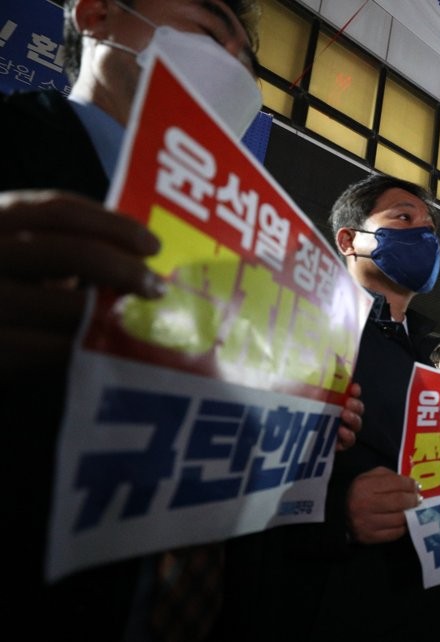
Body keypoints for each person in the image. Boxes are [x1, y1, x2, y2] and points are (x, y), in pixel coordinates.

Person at [1, 2, 358, 637]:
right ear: (98, 13)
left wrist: (312, 416)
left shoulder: (266, 266)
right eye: (208, 22)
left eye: (244, 56)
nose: (230, 60)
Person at [221, 173, 440, 640]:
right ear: (349, 239)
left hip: (415, 606)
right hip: (312, 600)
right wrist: (333, 514)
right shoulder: (283, 324)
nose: (425, 234)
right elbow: (223, 466)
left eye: (431, 227)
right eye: (404, 217)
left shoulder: (435, 365)